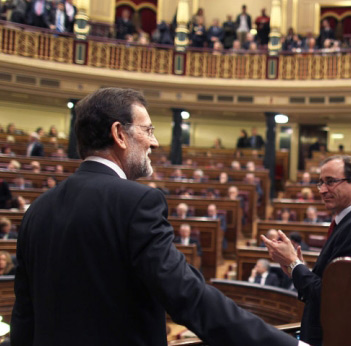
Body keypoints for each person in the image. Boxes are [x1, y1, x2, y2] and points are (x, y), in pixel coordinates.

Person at [11, 87, 300, 345]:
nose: (155, 143)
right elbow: (187, 295)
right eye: (148, 130)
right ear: (119, 134)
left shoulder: (38, 209)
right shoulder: (137, 201)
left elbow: (24, 317)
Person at [262, 155, 351, 345]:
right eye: (321, 183)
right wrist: (296, 266)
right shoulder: (348, 223)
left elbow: (332, 298)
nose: (323, 190)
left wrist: (294, 264)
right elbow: (329, 283)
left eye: (331, 182)